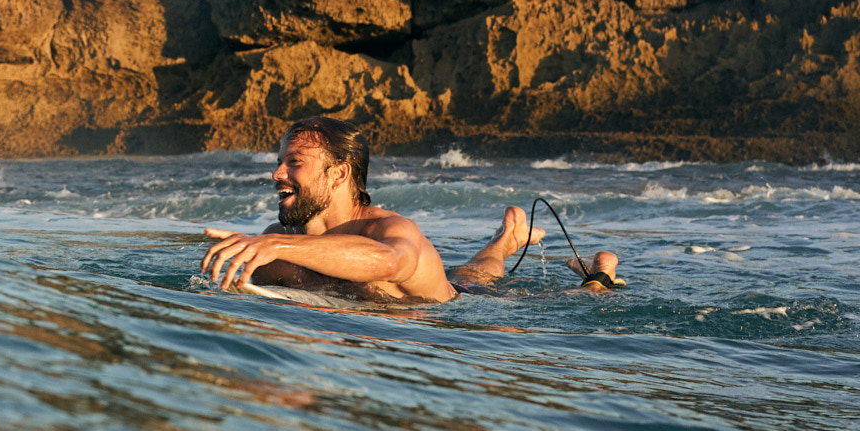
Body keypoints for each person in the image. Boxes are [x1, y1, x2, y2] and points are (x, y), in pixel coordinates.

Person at [201, 117, 623, 304]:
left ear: (338, 173)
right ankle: (508, 237)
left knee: (552, 295)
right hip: (455, 282)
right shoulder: (281, 236)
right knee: (475, 272)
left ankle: (600, 270)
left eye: (294, 162)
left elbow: (388, 262)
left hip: (464, 309)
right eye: (280, 160)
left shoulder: (391, 230)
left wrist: (275, 246)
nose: (276, 172)